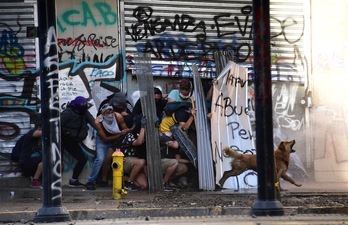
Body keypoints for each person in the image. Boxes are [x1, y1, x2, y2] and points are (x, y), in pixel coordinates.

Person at [85, 103, 131, 190]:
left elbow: (126, 129)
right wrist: (119, 134)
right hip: (103, 141)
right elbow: (105, 138)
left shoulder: (118, 117)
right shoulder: (98, 122)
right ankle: (90, 181)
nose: (110, 114)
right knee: (100, 159)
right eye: (107, 112)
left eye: (111, 112)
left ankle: (122, 181)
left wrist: (124, 132)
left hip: (117, 140)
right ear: (103, 114)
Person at [61, 96, 97, 187]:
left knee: (82, 159)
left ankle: (73, 180)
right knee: (56, 161)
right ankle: (49, 182)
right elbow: (56, 124)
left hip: (74, 141)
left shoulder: (84, 111)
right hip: (64, 139)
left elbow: (94, 123)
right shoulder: (68, 113)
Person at [158, 106, 196, 188]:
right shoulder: (163, 136)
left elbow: (178, 158)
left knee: (184, 168)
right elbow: (175, 145)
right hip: (160, 162)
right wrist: (192, 116)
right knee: (174, 163)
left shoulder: (174, 137)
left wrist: (192, 162)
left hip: (170, 162)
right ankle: (163, 183)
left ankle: (167, 180)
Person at [18, 117, 43, 188]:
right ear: (38, 127)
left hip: (31, 162)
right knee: (46, 161)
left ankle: (40, 179)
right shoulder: (32, 132)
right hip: (26, 163)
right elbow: (41, 133)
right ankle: (35, 180)